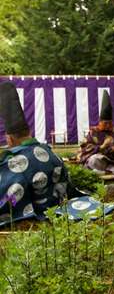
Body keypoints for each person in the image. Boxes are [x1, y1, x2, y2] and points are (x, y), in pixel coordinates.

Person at [0, 82, 70, 224]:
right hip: (57, 209)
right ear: (29, 133)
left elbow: (8, 200)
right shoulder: (51, 154)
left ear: (10, 139)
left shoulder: (14, 162)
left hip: (33, 215)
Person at [76, 90, 114, 179]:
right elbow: (85, 148)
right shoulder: (94, 132)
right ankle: (109, 174)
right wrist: (103, 146)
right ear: (100, 122)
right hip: (99, 159)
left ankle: (104, 174)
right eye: (105, 123)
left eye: (109, 123)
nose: (108, 126)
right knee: (93, 160)